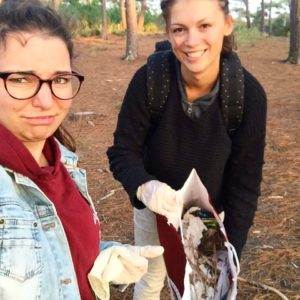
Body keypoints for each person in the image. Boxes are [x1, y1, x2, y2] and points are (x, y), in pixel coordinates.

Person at [0, 1, 163, 299]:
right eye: (21, 79)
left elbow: (52, 251)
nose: (47, 101)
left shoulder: (62, 162)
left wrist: (101, 258)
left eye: (60, 79)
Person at [107, 0, 267, 299]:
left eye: (205, 25)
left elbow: (245, 185)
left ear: (227, 25)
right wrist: (145, 187)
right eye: (179, 29)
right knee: (151, 275)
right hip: (155, 207)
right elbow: (122, 151)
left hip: (209, 215)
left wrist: (230, 254)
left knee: (203, 287)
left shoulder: (248, 96)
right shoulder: (150, 81)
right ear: (168, 32)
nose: (192, 41)